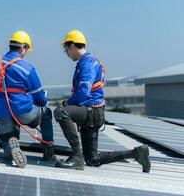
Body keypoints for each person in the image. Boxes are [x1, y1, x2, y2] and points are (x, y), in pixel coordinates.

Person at [54, 30, 151, 172]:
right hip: (95, 113)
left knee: (61, 112)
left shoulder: (87, 64)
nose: (67, 54)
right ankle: (137, 153)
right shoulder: (89, 62)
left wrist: (67, 103)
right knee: (92, 160)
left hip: (91, 111)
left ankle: (76, 157)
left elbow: (82, 93)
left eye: (66, 50)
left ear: (73, 46)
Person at [0, 30, 55, 168]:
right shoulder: (27, 69)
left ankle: (10, 147)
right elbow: (39, 97)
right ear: (23, 48)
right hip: (22, 111)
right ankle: (48, 152)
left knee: (7, 132)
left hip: (1, 112)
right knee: (46, 113)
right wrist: (40, 102)